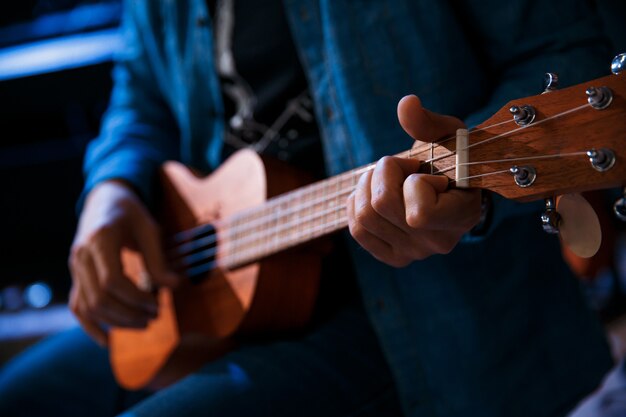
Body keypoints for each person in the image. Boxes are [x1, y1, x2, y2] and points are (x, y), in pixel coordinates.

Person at [0, 0, 616, 416]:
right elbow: (139, 89)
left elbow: (569, 53)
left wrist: (469, 196)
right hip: (196, 283)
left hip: (421, 318)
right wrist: (110, 193)